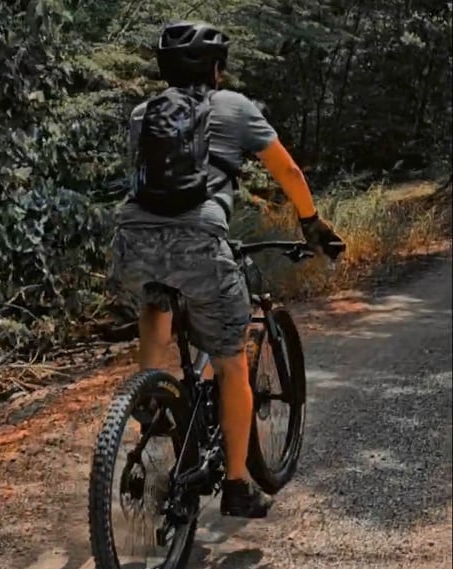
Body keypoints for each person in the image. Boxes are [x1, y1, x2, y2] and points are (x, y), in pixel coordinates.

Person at [110, 21, 344, 519]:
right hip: (199, 242)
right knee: (231, 359)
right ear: (217, 68)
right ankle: (237, 484)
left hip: (132, 242)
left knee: (156, 303)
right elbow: (288, 172)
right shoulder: (236, 107)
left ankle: (151, 399)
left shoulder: (141, 113)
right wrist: (312, 223)